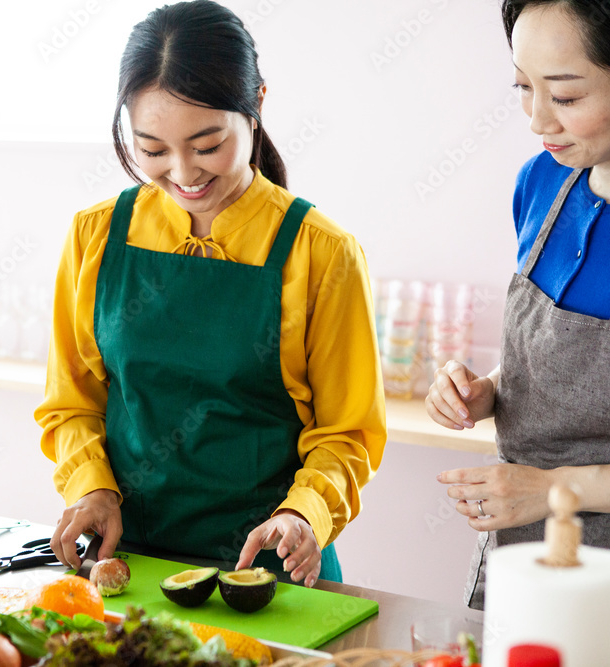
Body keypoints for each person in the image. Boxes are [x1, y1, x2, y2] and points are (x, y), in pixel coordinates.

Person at [34, 0, 385, 588]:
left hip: (267, 572)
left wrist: (305, 513)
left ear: (258, 107)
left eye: (207, 144)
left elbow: (347, 432)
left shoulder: (321, 252)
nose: (183, 172)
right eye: (152, 150)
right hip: (131, 562)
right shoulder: (95, 237)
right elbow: (71, 402)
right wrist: (91, 487)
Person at [426, 0, 610, 609]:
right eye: (523, 86)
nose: (536, 119)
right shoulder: (542, 184)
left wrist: (550, 490)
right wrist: (491, 389)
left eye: (566, 97)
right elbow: (579, 365)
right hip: (516, 554)